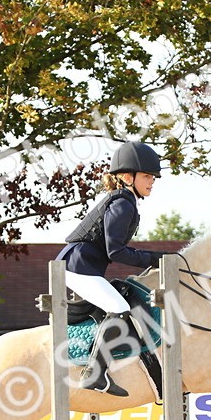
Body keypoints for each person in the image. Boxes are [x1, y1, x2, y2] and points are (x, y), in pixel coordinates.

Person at [55, 141, 166, 397]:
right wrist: (153, 259)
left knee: (119, 303)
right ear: (128, 177)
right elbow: (115, 251)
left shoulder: (126, 201)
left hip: (80, 264)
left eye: (153, 177)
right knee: (119, 308)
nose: (152, 181)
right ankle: (94, 374)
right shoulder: (122, 204)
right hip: (78, 266)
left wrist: (152, 258)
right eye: (147, 176)